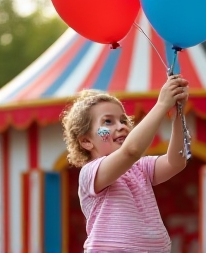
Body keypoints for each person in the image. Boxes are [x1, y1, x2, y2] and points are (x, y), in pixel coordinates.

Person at [61, 75, 190, 253]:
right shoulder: (90, 172)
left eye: (123, 120)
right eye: (108, 121)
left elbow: (176, 162)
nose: (121, 126)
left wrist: (177, 116)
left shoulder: (139, 168)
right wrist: (161, 105)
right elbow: (131, 151)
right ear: (86, 141)